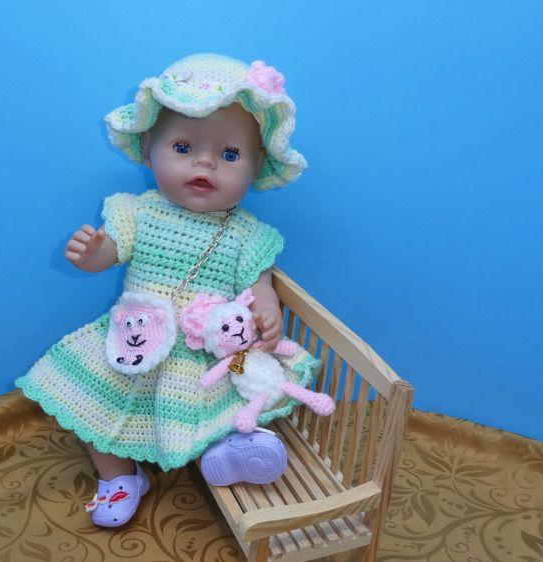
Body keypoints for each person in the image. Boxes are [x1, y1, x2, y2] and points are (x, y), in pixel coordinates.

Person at [16, 53, 320, 527]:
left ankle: (232, 448)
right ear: (149, 149)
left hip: (204, 353)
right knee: (94, 405)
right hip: (135, 341)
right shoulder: (137, 212)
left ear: (257, 166)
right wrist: (92, 251)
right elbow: (107, 255)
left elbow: (260, 286)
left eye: (230, 155)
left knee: (222, 404)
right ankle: (119, 476)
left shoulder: (248, 235)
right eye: (182, 147)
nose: (205, 163)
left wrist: (267, 313)